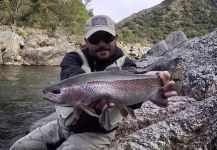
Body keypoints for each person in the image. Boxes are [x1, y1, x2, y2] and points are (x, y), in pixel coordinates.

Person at [10, 15, 177, 150]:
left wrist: (154, 89)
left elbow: (133, 89)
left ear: (116, 39)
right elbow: (72, 76)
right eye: (95, 39)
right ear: (86, 41)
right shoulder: (72, 58)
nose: (102, 43)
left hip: (98, 134)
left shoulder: (127, 65)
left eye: (107, 37)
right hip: (63, 127)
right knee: (19, 147)